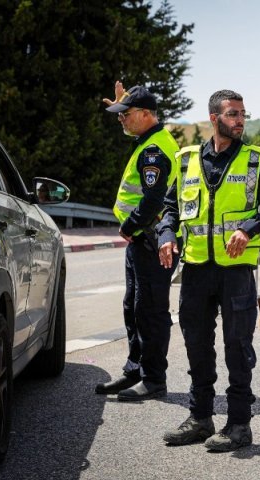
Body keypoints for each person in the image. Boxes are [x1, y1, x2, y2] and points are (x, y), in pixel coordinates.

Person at [157, 89, 260, 452]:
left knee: (237, 347)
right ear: (214, 118)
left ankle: (239, 425)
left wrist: (247, 229)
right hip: (196, 269)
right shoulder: (186, 160)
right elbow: (170, 209)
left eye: (243, 114)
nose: (240, 120)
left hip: (236, 271)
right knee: (197, 345)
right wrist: (166, 235)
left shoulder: (257, 160)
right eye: (233, 114)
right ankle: (200, 418)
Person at [94, 83, 181, 401]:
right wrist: (123, 104)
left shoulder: (154, 149)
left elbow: (154, 198)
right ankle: (135, 371)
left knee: (150, 311)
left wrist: (130, 224)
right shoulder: (148, 140)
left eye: (126, 114)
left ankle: (154, 379)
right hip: (142, 240)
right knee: (133, 306)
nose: (121, 119)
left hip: (153, 239)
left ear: (146, 114)